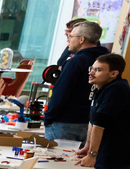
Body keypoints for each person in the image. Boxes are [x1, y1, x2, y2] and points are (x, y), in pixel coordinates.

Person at [45, 20, 107, 151]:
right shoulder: (107, 62)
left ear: (81, 39)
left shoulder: (76, 61)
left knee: (55, 161)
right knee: (78, 163)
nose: (68, 40)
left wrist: (48, 117)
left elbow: (61, 92)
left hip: (66, 122)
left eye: (70, 36)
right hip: (91, 124)